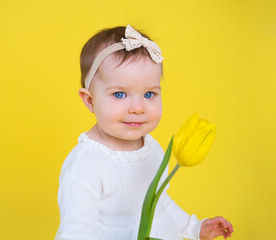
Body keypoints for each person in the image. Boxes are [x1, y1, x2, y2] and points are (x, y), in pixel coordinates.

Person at [55, 25, 234, 240]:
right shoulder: (85, 165)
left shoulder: (152, 150)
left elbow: (159, 203)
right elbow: (76, 232)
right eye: (120, 94)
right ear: (90, 100)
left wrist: (194, 227)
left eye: (149, 94)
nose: (138, 108)